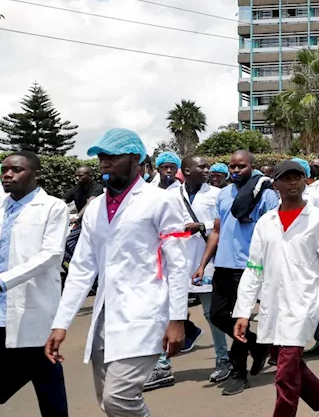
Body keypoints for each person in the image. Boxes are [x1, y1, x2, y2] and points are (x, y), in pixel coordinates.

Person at [48, 129, 188, 417]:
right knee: (108, 403)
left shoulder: (160, 201)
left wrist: (177, 319)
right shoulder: (97, 207)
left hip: (146, 315)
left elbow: (177, 264)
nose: (105, 163)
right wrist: (61, 324)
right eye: (102, 157)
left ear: (135, 159)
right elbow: (82, 269)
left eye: (113, 157)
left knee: (119, 399)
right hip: (106, 319)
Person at [232, 160, 319, 417]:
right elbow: (254, 269)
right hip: (272, 305)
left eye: (298, 176)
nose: (293, 181)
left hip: (303, 303)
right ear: (275, 184)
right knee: (292, 367)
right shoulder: (265, 222)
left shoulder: (318, 220)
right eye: (286, 177)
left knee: (284, 374)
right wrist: (243, 312)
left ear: (305, 181)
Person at [197, 149, 278, 396]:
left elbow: (273, 233)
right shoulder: (222, 195)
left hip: (248, 267)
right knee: (218, 315)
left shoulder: (266, 195)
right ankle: (257, 345)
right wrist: (203, 264)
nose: (235, 170)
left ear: (251, 167)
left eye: (240, 166)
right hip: (223, 265)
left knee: (239, 318)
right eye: (232, 166)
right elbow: (217, 232)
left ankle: (239, 374)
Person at [146, 155, 229, 390]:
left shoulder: (215, 194)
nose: (206, 170)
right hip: (176, 263)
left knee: (211, 314)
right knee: (166, 314)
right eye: (201, 166)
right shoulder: (169, 196)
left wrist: (201, 226)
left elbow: (221, 226)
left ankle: (223, 359)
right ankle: (162, 366)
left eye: (206, 166)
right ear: (187, 170)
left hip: (207, 261)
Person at [1, 152, 70, 417]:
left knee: (46, 376)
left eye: (16, 170)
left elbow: (51, 254)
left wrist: (4, 281)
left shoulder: (53, 207)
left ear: (36, 175)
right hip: (2, 312)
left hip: (34, 306)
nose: (8, 175)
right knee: (46, 374)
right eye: (4, 169)